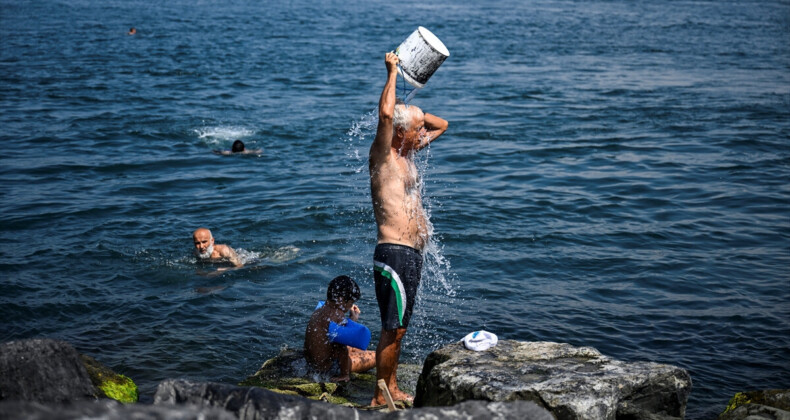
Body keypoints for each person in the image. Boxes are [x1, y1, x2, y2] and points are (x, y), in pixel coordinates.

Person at [368, 52, 448, 406]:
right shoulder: (384, 156)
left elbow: (442, 124)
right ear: (400, 132)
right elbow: (386, 114)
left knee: (399, 330)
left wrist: (414, 98)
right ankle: (378, 395)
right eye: (417, 129)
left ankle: (392, 388)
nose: (423, 134)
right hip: (394, 252)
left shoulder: (409, 153)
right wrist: (392, 73)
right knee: (391, 329)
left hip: (410, 253)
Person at [304, 275, 376, 382]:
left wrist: (351, 319)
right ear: (341, 300)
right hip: (329, 368)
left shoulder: (319, 311)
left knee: (362, 350)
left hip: (313, 363)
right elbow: (341, 348)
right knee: (377, 355)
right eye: (350, 303)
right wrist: (344, 375)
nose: (350, 306)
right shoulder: (338, 316)